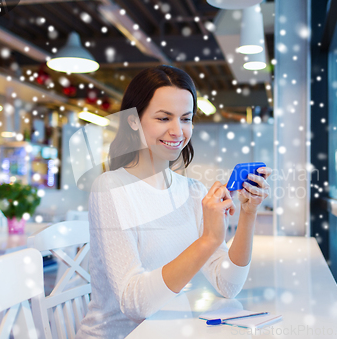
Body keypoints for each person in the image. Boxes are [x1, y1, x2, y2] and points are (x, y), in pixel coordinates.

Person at [76, 65, 272, 339]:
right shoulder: (110, 188)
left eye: (185, 118)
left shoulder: (192, 191)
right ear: (133, 120)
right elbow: (135, 304)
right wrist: (207, 240)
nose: (177, 131)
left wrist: (247, 214)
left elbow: (228, 285)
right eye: (164, 118)